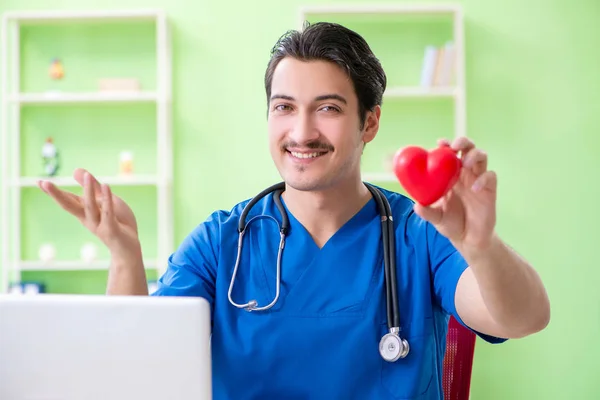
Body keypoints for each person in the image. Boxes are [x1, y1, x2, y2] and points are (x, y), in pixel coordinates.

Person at [39, 22, 550, 400]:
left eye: (327, 108)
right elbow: (138, 367)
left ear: (369, 123)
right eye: (284, 107)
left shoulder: (420, 233)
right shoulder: (221, 243)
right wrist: (126, 255)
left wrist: (480, 246)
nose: (301, 132)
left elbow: (525, 317)